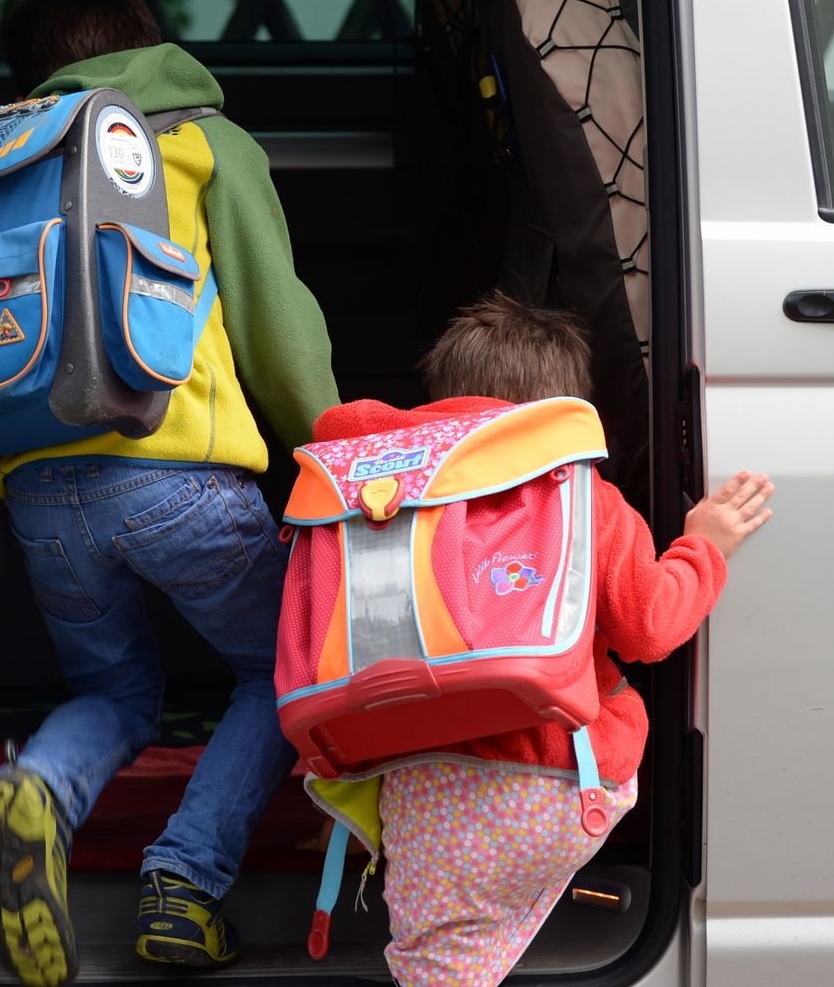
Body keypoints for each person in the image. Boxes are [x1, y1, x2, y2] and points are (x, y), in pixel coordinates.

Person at [0, 0, 337, 985]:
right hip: (178, 473)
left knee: (115, 690)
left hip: (40, 490)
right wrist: (336, 449)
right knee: (287, 668)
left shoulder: (1, 153)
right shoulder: (198, 141)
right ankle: (182, 883)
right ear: (148, 46)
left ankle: (40, 786)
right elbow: (277, 330)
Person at [309, 291, 771, 987]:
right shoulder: (584, 500)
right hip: (557, 783)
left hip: (415, 789)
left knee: (439, 971)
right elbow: (649, 627)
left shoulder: (376, 508)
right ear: (560, 414)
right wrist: (701, 548)